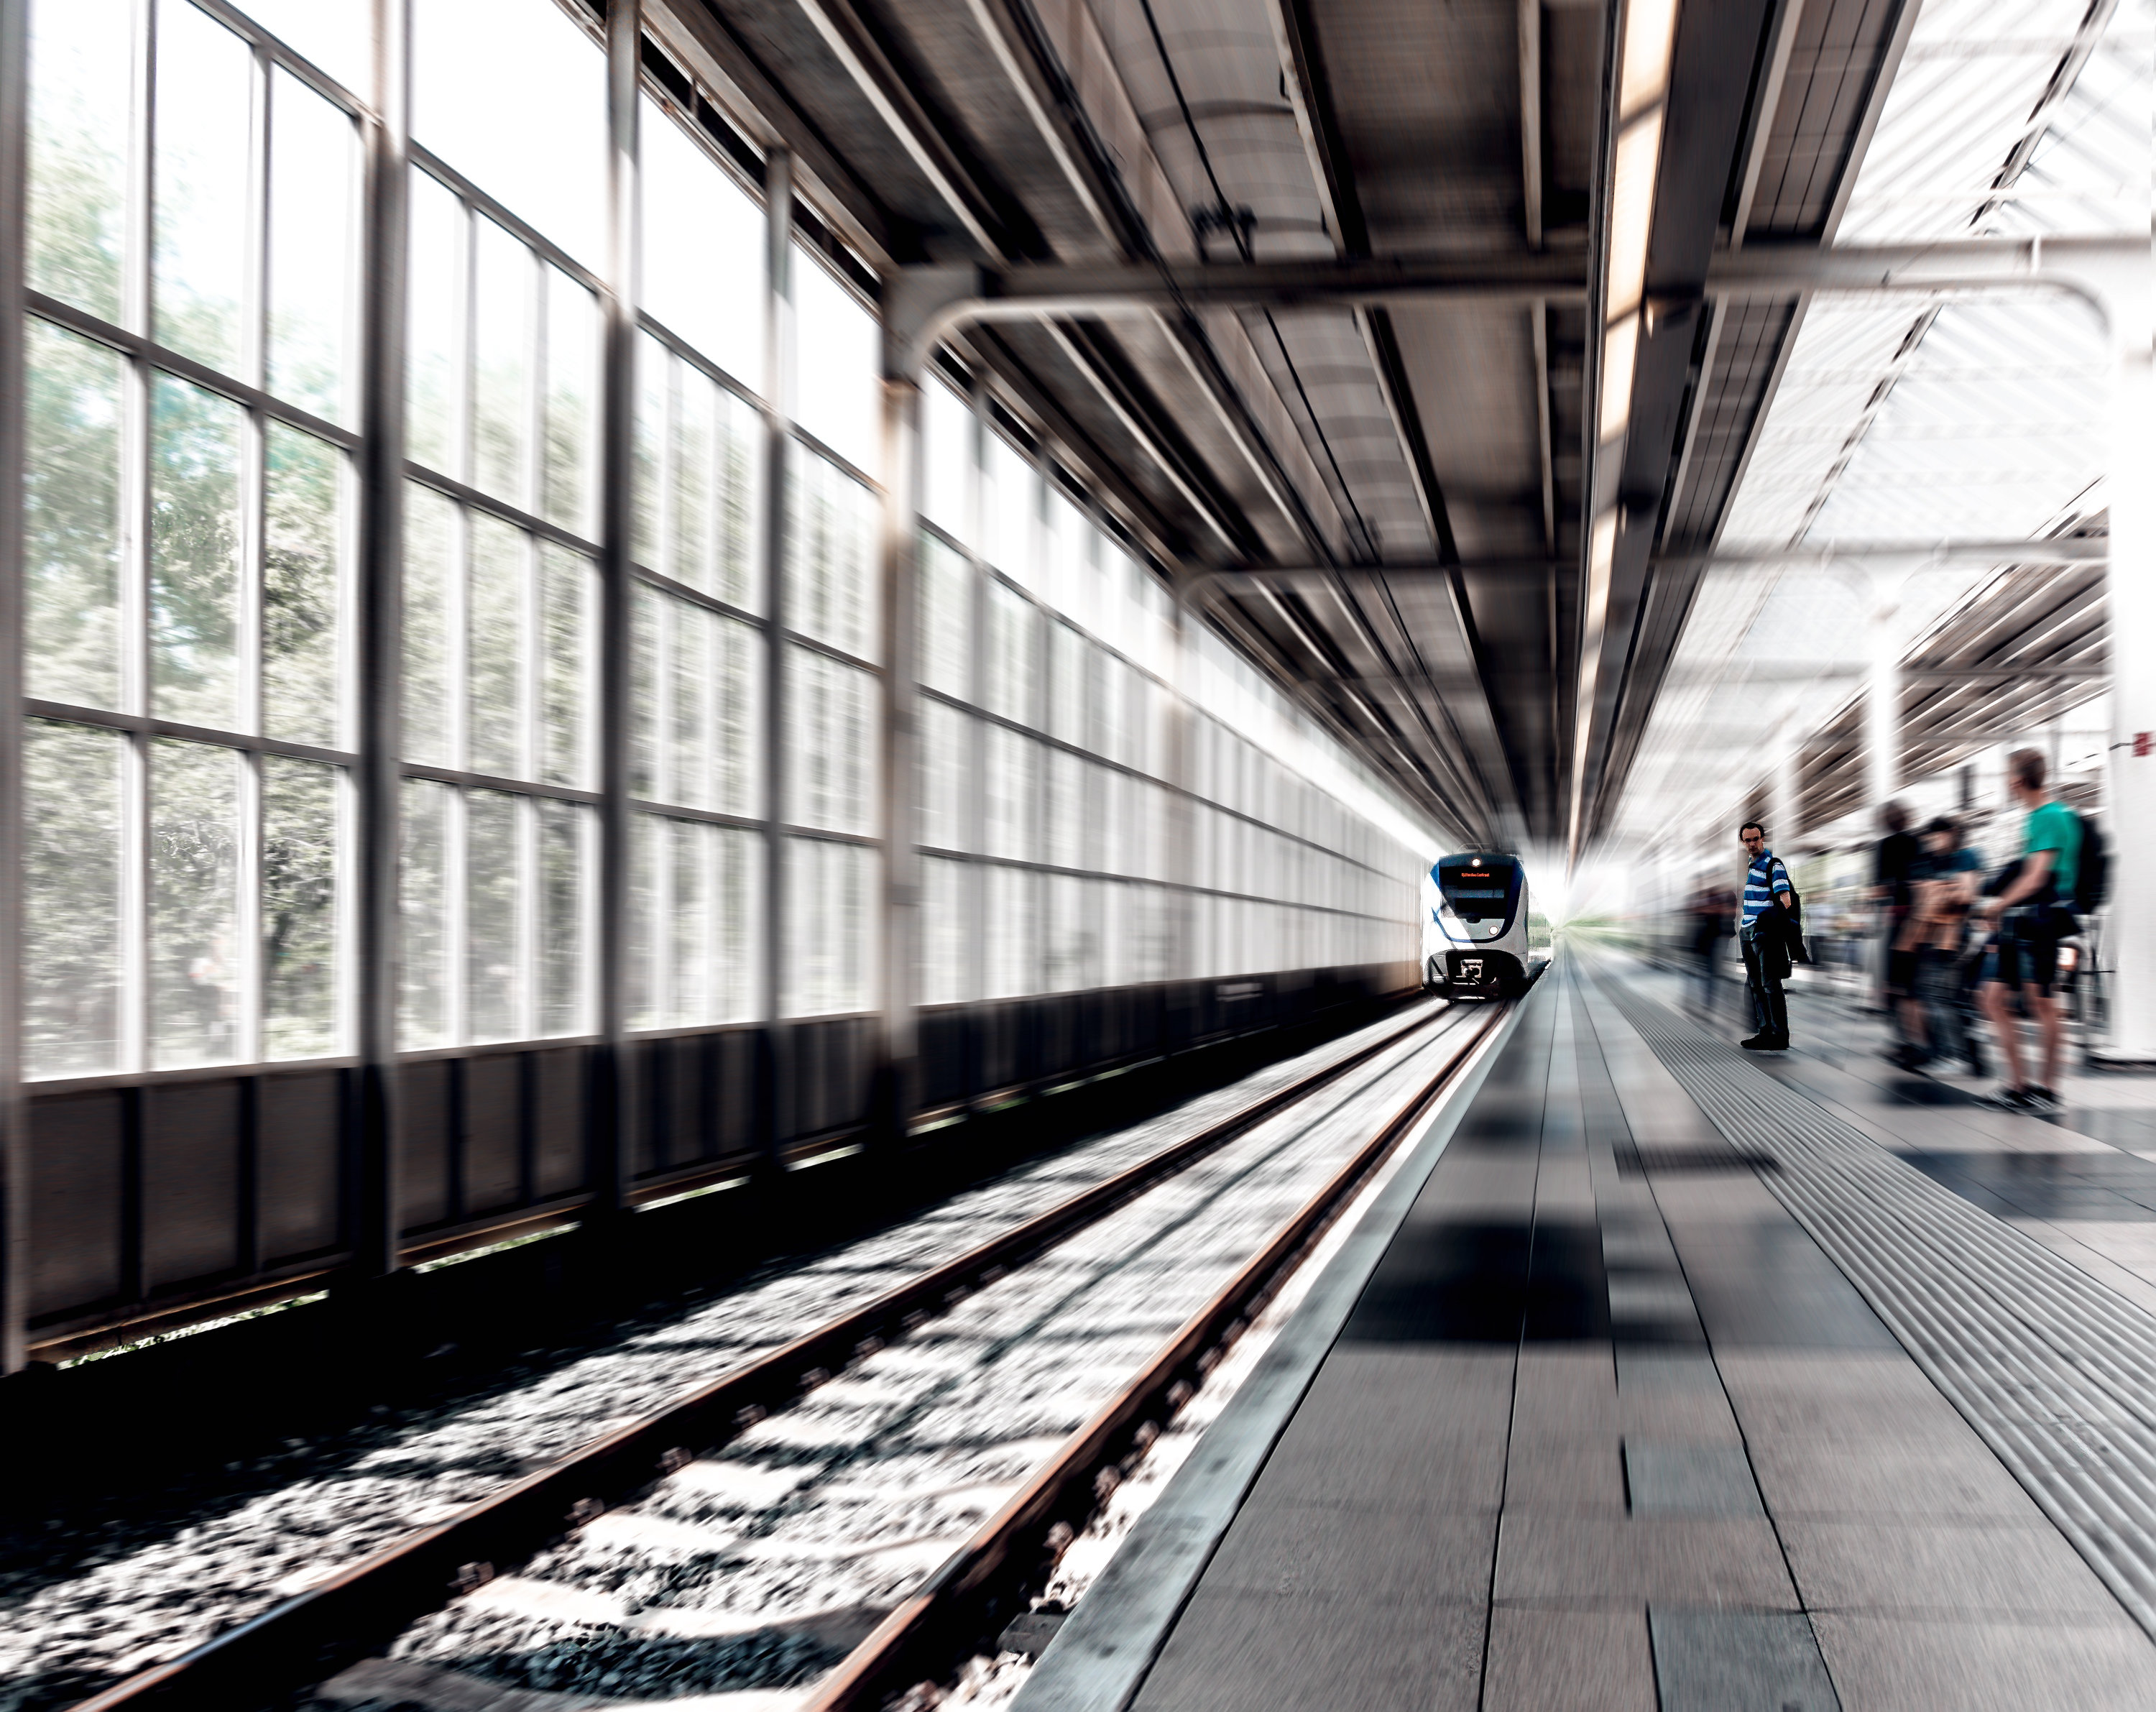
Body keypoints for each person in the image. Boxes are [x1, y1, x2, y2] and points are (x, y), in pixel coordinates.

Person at [1975, 748, 2081, 1110]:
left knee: (2044, 1004)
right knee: (1992, 999)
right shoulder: (2038, 816)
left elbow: (2036, 877)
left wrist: (1997, 904)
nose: (2006, 781)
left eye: (2007, 774)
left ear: (2018, 779)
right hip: (2023, 920)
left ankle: (2047, 1089)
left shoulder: (2047, 816)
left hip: (2041, 919)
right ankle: (2018, 1085)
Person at [1894, 815, 1984, 1073]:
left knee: (1939, 996)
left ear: (1953, 833)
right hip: (1932, 937)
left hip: (1954, 938)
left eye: (1937, 835)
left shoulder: (1966, 857)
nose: (1933, 841)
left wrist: (1937, 893)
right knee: (1934, 996)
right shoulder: (1932, 861)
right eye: (1930, 837)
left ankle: (1956, 1057)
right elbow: (1922, 897)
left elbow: (1966, 895)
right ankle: (1954, 1054)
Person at [1738, 820, 1795, 1050]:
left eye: (1756, 839)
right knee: (1756, 984)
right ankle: (1764, 1031)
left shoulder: (1774, 864)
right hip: (1746, 931)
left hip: (1763, 933)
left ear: (1763, 839)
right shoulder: (1751, 866)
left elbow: (1786, 902)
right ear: (1743, 842)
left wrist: (1764, 926)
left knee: (1771, 984)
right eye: (1747, 840)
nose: (1752, 844)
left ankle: (1780, 1036)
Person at [1872, 801, 1921, 1021]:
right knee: (1913, 984)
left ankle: (1906, 1041)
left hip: (1898, 918)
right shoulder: (1918, 842)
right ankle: (1919, 1042)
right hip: (1922, 919)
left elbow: (1880, 889)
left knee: (1894, 984)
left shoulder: (1885, 846)